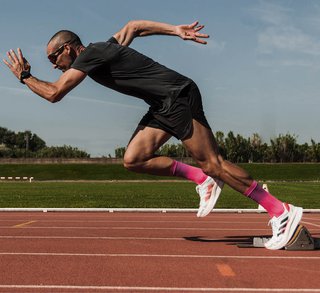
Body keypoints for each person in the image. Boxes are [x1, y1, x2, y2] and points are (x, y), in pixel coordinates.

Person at [3, 20, 303, 250]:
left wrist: (26, 77)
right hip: (162, 104)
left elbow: (55, 93)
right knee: (134, 159)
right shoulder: (104, 48)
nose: (54, 65)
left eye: (53, 59)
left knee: (214, 163)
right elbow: (134, 26)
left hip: (177, 97)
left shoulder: (91, 54)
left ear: (67, 48)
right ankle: (201, 179)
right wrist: (175, 30)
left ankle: (281, 211)